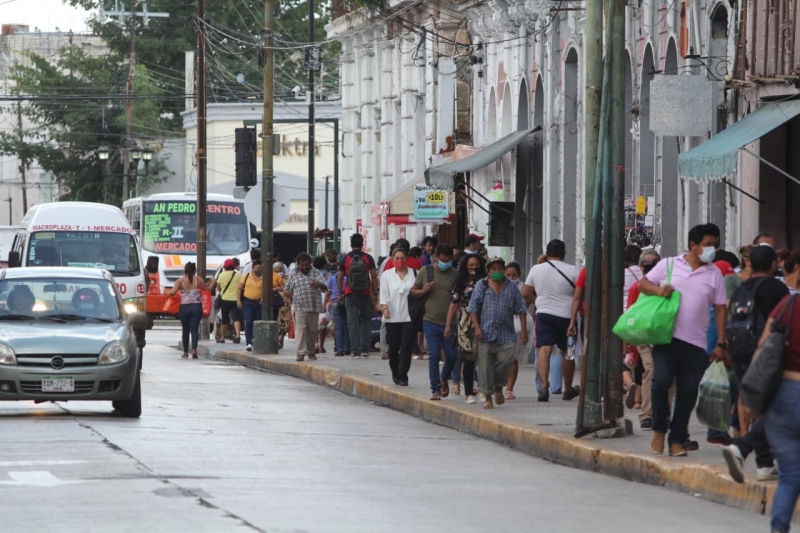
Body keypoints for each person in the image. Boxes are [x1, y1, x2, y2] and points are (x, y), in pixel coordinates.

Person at [638, 224, 727, 457]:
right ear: (693, 245)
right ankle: (659, 427)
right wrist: (659, 291)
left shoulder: (714, 273)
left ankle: (677, 439)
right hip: (666, 337)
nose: (712, 249)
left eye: (714, 244)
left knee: (688, 391)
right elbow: (643, 283)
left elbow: (720, 309)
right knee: (660, 381)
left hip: (696, 342)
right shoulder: (669, 264)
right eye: (707, 244)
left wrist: (721, 342)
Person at [722, 245, 787, 483]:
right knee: (775, 406)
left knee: (760, 407)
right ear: (772, 264)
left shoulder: (741, 287)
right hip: (764, 352)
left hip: (738, 351)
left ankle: (765, 464)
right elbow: (783, 320)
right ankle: (742, 447)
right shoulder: (776, 287)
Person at [759, 293, 800, 533]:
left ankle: (779, 528)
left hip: (784, 392)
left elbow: (762, 348)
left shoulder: (788, 305)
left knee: (790, 476)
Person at [522, 239, 579, 402]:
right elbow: (579, 294)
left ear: (547, 254)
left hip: (544, 315)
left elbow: (525, 292)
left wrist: (538, 300)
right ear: (565, 254)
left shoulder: (536, 269)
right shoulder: (573, 270)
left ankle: (543, 388)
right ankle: (568, 389)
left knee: (544, 350)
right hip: (568, 318)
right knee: (567, 353)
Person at [467, 257, 528, 409]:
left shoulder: (511, 287)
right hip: (485, 333)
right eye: (493, 269)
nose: (497, 272)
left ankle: (499, 387)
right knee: (485, 366)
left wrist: (524, 331)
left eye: (500, 268)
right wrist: (477, 328)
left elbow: (521, 309)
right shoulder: (482, 285)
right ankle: (488, 397)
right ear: (488, 271)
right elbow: (473, 309)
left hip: (506, 333)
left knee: (506, 360)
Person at [411, 244, 459, 401]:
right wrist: (423, 290)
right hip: (430, 321)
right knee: (434, 355)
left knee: (452, 356)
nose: (445, 263)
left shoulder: (455, 274)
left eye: (448, 260)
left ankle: (444, 377)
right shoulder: (426, 271)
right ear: (436, 258)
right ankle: (435, 389)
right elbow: (413, 291)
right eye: (442, 260)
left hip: (450, 323)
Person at [626, 250, 663, 429]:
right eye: (647, 263)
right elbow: (631, 314)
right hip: (644, 335)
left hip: (662, 334)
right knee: (651, 369)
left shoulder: (666, 286)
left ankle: (662, 413)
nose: (651, 265)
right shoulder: (637, 287)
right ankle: (647, 414)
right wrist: (631, 346)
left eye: (655, 261)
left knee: (665, 374)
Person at [445, 254, 486, 404]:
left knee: (484, 358)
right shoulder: (460, 283)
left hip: (485, 321)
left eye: (476, 265)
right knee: (468, 359)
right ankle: (468, 392)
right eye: (470, 265)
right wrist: (448, 325)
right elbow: (454, 303)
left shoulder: (487, 282)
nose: (473, 268)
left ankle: (483, 390)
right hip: (465, 324)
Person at [379, 247, 417, 385]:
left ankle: (403, 375)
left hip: (409, 317)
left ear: (406, 259)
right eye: (397, 258)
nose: (400, 261)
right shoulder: (386, 275)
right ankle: (395, 372)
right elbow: (383, 296)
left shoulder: (415, 273)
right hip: (392, 317)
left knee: (407, 347)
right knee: (393, 348)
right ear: (392, 260)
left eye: (402, 258)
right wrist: (385, 309)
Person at [338, 234, 378, 358]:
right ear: (363, 244)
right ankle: (365, 349)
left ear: (351, 245)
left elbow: (340, 278)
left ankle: (355, 350)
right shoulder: (368, 258)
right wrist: (375, 293)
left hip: (350, 294)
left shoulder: (345, 259)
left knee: (352, 322)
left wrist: (340, 294)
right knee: (366, 320)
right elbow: (373, 276)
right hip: (365, 293)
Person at [284, 253, 327, 362]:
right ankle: (300, 353)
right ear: (298, 264)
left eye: (307, 265)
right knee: (301, 330)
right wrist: (287, 293)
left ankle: (311, 351)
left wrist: (318, 284)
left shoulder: (316, 272)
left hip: (313, 305)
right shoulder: (293, 273)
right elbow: (287, 288)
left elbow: (325, 287)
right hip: (299, 305)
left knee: (312, 330)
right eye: (302, 265)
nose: (304, 267)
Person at [169, 262, 215, 359]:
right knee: (194, 330)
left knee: (185, 330)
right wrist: (213, 282)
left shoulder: (180, 281)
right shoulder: (199, 280)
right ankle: (194, 349)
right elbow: (207, 290)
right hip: (196, 308)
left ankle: (185, 352)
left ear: (184, 271)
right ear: (195, 271)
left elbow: (172, 293)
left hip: (184, 308)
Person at [503, 261, 531, 400]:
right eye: (508, 275)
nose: (511, 278)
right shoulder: (498, 286)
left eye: (514, 275)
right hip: (501, 324)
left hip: (518, 326)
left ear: (519, 275)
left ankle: (509, 388)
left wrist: (524, 331)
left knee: (513, 358)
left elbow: (523, 309)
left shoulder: (524, 288)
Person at [237, 259, 263, 352]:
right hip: (247, 302)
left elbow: (267, 290)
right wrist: (238, 300)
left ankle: (256, 341)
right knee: (248, 321)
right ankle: (249, 343)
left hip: (259, 303)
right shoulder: (246, 276)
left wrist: (263, 298)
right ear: (253, 269)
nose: (259, 269)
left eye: (261, 268)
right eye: (258, 268)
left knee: (257, 323)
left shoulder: (264, 278)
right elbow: (239, 289)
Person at [327, 260, 351, 356]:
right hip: (347, 302)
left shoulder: (332, 278)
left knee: (338, 326)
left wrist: (325, 304)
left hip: (336, 302)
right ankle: (347, 348)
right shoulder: (349, 277)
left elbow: (328, 292)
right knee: (347, 325)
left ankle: (339, 348)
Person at [216, 258, 242, 344]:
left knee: (224, 319)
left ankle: (222, 338)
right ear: (234, 266)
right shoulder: (239, 275)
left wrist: (222, 292)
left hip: (225, 299)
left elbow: (218, 287)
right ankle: (238, 335)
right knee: (236, 318)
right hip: (236, 299)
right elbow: (241, 286)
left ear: (225, 267)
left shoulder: (221, 275)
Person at [312, 256, 332, 353]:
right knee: (323, 325)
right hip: (325, 301)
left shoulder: (311, 275)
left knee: (314, 323)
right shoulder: (329, 275)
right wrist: (325, 304)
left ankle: (315, 343)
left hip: (314, 300)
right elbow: (329, 291)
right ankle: (321, 346)